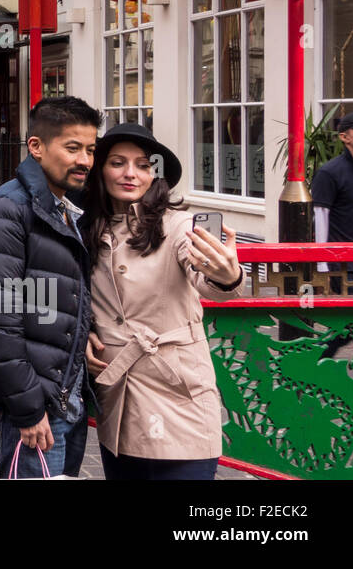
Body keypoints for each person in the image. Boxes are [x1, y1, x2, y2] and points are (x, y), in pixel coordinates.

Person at [0, 96, 101, 479]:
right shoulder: (5, 211)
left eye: (91, 150)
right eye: (72, 148)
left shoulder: (65, 208)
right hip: (34, 407)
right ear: (36, 147)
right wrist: (29, 411)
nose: (84, 160)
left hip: (64, 394)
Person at [81, 122, 245, 480]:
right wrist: (87, 333)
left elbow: (211, 278)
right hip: (119, 396)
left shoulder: (180, 226)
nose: (130, 174)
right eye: (117, 163)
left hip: (177, 392)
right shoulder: (87, 229)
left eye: (143, 165)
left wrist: (226, 273)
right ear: (100, 171)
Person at [312, 112, 353, 275]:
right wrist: (322, 266)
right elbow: (320, 218)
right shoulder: (329, 173)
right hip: (344, 267)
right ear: (344, 137)